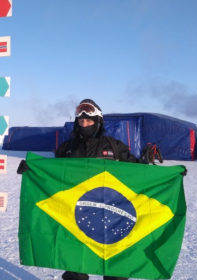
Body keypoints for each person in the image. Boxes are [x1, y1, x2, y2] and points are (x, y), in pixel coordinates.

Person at [56, 99, 160, 280]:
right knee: (76, 265)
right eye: (81, 121)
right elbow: (54, 174)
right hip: (77, 213)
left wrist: (163, 176)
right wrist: (32, 169)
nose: (84, 124)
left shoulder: (114, 146)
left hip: (111, 214)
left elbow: (136, 171)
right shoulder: (67, 148)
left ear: (97, 122)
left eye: (88, 121)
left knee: (115, 267)